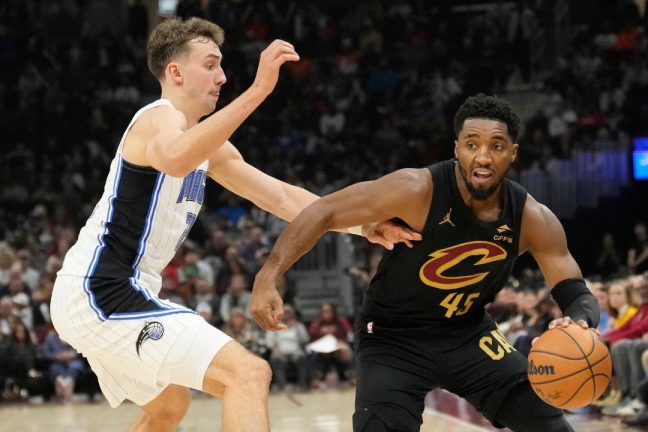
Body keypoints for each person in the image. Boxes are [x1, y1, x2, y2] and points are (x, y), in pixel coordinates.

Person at [50, 17, 418, 432]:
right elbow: (174, 158)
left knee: (170, 407)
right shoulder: (157, 118)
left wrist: (363, 226)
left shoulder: (207, 145)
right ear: (175, 72)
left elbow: (281, 197)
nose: (222, 76)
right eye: (210, 65)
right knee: (247, 373)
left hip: (114, 292)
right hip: (101, 290)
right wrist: (259, 90)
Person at [250, 94, 600, 431]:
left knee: (549, 424)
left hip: (468, 334)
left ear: (513, 152)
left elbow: (574, 291)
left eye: (496, 146)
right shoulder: (416, 189)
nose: (483, 157)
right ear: (456, 149)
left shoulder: (532, 218)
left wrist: (578, 322)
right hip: (393, 337)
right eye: (472, 144)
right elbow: (323, 211)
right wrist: (269, 275)